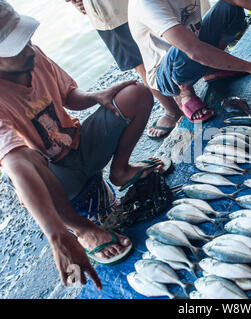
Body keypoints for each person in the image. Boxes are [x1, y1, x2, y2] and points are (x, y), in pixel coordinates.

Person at [0, 1, 164, 289]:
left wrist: (97, 96)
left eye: (25, 39)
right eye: (16, 49)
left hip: (78, 145)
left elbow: (68, 94)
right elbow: (16, 161)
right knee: (29, 160)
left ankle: (121, 170)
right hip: (53, 179)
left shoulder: (33, 55)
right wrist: (57, 235)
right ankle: (81, 229)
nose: (28, 50)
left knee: (135, 93)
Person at [128, 0, 251, 138]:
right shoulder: (145, 4)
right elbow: (194, 51)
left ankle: (210, 69)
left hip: (195, 45)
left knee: (231, 9)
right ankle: (184, 93)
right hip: (168, 73)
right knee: (184, 51)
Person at [66, 0, 147, 86]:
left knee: (145, 66)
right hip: (111, 13)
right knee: (145, 65)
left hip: (113, 12)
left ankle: (161, 97)